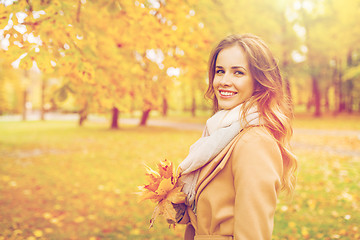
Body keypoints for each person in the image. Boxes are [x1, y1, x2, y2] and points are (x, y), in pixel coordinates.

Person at [176, 33, 297, 240]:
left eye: (238, 73)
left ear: (259, 82)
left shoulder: (254, 143)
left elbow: (253, 233)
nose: (224, 81)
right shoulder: (221, 133)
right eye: (220, 71)